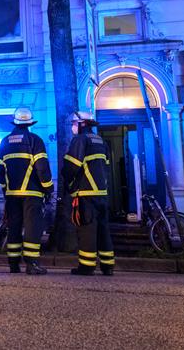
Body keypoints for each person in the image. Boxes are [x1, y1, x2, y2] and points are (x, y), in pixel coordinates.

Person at [0, 107, 53, 275]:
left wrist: (7, 190)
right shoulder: (35, 140)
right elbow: (42, 168)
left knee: (14, 227)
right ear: (30, 123)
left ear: (15, 122)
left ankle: (13, 264)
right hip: (32, 195)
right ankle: (32, 264)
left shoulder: (5, 142)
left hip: (12, 196)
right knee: (33, 227)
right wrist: (48, 188)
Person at [62, 111, 114, 276]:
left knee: (87, 230)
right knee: (103, 230)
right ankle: (108, 265)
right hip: (102, 193)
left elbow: (72, 166)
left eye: (74, 123)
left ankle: (86, 266)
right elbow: (105, 167)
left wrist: (69, 184)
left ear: (82, 124)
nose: (72, 127)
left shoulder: (80, 140)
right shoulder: (101, 141)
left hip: (85, 193)